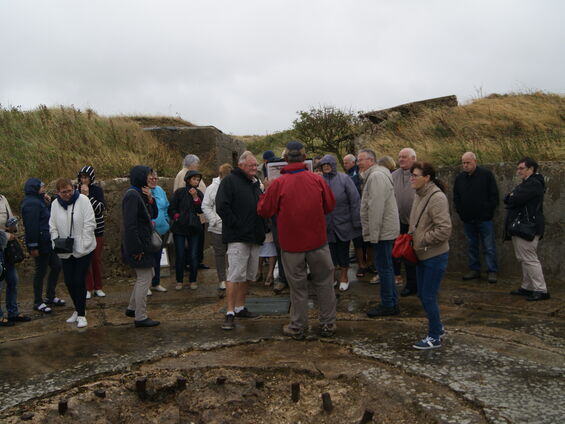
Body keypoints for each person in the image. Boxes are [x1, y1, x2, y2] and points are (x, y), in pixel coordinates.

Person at [258, 141, 337, 339]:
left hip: (291, 245)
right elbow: (329, 206)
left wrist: (266, 191)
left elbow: (264, 210)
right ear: (304, 158)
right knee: (325, 283)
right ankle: (328, 324)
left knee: (298, 287)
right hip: (318, 242)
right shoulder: (317, 180)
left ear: (285, 159)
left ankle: (298, 326)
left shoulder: (278, 184)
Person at [216, 151, 265, 330]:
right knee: (235, 275)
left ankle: (240, 307)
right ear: (242, 165)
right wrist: (237, 226)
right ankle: (229, 312)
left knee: (249, 275)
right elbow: (222, 206)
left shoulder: (255, 183)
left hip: (254, 237)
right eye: (252, 165)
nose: (255, 168)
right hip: (238, 237)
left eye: (256, 165)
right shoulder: (229, 181)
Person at [409, 162, 452, 349]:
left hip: (434, 254)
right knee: (422, 294)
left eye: (415, 175)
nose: (411, 178)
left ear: (426, 178)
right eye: (411, 175)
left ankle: (434, 337)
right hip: (422, 254)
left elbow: (445, 229)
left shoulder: (437, 198)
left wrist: (423, 239)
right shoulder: (419, 194)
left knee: (428, 296)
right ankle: (438, 327)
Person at [357, 149, 400, 317]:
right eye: (358, 160)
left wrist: (373, 236)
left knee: (384, 268)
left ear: (371, 161)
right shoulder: (375, 175)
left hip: (382, 232)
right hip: (383, 230)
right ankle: (392, 302)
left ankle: (388, 304)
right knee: (386, 267)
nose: (358, 163)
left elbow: (376, 208)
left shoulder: (375, 177)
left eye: (361, 160)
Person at [49, 178, 96, 328]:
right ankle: (77, 309)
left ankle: (82, 315)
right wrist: (56, 241)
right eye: (64, 192)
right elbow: (52, 225)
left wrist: (85, 243)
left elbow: (90, 223)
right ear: (58, 193)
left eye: (70, 191)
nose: (68, 194)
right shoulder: (55, 204)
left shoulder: (83, 200)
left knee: (78, 280)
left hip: (83, 248)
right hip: (65, 248)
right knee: (69, 281)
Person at [505, 157, 549, 301]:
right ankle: (528, 287)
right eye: (518, 168)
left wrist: (512, 196)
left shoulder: (533, 184)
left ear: (531, 169)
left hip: (528, 226)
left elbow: (513, 199)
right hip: (523, 226)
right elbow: (509, 198)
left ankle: (541, 290)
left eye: (521, 168)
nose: (518, 172)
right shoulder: (528, 183)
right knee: (523, 258)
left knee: (530, 259)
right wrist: (511, 196)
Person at [122, 165, 160, 327]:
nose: (151, 178)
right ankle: (140, 316)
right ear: (140, 177)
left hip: (143, 244)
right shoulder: (132, 195)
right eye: (148, 175)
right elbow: (130, 226)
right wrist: (136, 249)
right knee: (144, 278)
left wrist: (150, 199)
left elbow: (154, 214)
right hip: (139, 246)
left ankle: (132, 308)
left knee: (147, 274)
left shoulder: (141, 193)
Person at [453, 152, 499, 283]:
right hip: (468, 219)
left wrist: (487, 211)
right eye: (463, 163)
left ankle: (492, 271)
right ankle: (474, 270)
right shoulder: (460, 178)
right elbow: (456, 198)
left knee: (489, 246)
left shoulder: (486, 175)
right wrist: (462, 213)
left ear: (475, 161)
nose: (466, 165)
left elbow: (494, 195)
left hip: (484, 219)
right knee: (471, 245)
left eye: (468, 162)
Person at [319, 154, 361, 291]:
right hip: (326, 224)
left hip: (343, 222)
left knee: (343, 251)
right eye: (323, 165)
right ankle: (331, 277)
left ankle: (344, 276)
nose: (326, 167)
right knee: (329, 253)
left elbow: (355, 201)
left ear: (333, 165)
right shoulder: (318, 179)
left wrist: (356, 221)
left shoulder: (344, 178)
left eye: (328, 164)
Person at [21, 178, 64, 313]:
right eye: (41, 187)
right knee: (41, 272)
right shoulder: (31, 204)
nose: (44, 189)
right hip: (40, 244)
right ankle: (38, 301)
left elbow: (47, 217)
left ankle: (50, 296)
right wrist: (33, 246)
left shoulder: (39, 201)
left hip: (48, 242)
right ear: (34, 189)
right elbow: (31, 226)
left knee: (56, 267)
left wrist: (48, 203)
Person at [169, 170, 204, 291]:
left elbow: (200, 210)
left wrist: (195, 197)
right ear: (188, 179)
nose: (196, 181)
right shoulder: (179, 192)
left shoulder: (199, 193)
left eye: (198, 180)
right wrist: (177, 217)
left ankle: (193, 280)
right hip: (179, 228)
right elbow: (171, 208)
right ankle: (179, 280)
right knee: (180, 255)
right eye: (194, 179)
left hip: (194, 228)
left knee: (194, 255)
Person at [173, 154, 208, 270]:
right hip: (191, 217)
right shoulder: (185, 175)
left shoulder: (187, 174)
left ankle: (194, 262)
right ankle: (193, 263)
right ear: (192, 164)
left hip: (193, 216)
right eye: (197, 164)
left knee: (194, 243)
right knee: (194, 243)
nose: (198, 166)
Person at [76, 166, 106, 299]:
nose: (83, 180)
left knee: (96, 259)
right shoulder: (76, 191)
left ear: (91, 178)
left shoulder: (97, 190)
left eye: (86, 177)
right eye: (81, 177)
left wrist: (88, 196)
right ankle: (88, 287)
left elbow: (100, 208)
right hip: (82, 231)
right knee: (85, 260)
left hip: (97, 230)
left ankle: (98, 287)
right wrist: (81, 196)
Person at [0, 195, 30, 326]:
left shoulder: (2, 198)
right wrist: (6, 235)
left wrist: (13, 227)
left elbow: (9, 216)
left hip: (6, 248)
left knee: (13, 280)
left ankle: (12, 312)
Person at [202, 163, 233, 292]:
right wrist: (214, 220)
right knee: (219, 255)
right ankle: (222, 280)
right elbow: (205, 206)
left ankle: (232, 278)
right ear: (220, 176)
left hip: (232, 227)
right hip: (217, 228)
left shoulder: (234, 185)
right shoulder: (211, 188)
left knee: (233, 254)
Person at [392, 148, 418, 296]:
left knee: (417, 256)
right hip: (399, 222)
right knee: (404, 254)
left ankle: (417, 284)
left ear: (413, 158)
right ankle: (410, 284)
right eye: (400, 157)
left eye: (404, 157)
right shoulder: (393, 175)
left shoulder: (419, 174)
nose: (401, 159)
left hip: (416, 223)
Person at [343, 153, 371, 279]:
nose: (344, 165)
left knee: (364, 241)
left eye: (346, 163)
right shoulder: (350, 175)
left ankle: (366, 264)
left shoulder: (359, 175)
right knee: (359, 241)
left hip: (363, 212)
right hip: (356, 212)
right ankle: (363, 264)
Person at [148, 170, 170, 293]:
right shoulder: (143, 191)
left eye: (156, 178)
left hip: (161, 230)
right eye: (151, 178)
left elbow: (166, 205)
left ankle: (156, 283)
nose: (154, 180)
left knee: (157, 258)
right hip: (149, 231)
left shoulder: (160, 190)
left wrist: (167, 220)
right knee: (148, 259)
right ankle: (146, 285)